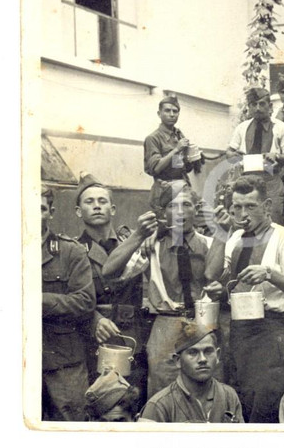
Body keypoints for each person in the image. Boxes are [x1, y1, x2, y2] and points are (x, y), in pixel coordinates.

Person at [204, 175, 284, 422]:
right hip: (237, 331)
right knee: (239, 404)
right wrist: (221, 232)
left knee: (265, 407)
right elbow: (211, 274)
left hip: (271, 333)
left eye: (251, 206)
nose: (243, 213)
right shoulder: (234, 238)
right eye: (238, 207)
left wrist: (270, 274)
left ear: (267, 206)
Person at [102, 181, 215, 398]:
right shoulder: (152, 246)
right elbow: (110, 271)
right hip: (165, 325)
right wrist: (139, 236)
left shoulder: (210, 245)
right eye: (173, 206)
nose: (180, 212)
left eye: (187, 205)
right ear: (163, 213)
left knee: (206, 389)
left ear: (197, 209)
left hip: (203, 321)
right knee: (163, 389)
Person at [74, 173, 148, 402]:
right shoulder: (73, 250)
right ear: (78, 211)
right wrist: (95, 319)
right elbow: (70, 297)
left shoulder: (134, 244)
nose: (97, 206)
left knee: (133, 400)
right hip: (93, 340)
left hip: (131, 339)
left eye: (102, 201)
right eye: (89, 202)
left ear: (113, 209)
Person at [41, 185, 96, 421]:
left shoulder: (70, 251)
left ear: (51, 213)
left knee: (70, 426)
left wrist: (35, 301)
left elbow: (84, 302)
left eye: (40, 209)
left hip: (64, 361)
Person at [138, 321, 243, 423]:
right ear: (177, 361)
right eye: (193, 353)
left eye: (208, 351)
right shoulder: (159, 405)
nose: (202, 359)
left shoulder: (229, 396)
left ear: (218, 356)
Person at [226, 87, 284, 224]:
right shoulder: (242, 128)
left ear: (270, 106)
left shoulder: (281, 128)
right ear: (249, 107)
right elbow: (229, 153)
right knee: (244, 222)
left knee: (273, 222)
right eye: (254, 104)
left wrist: (276, 156)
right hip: (245, 181)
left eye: (262, 104)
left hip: (270, 182)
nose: (258, 108)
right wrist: (235, 155)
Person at [143, 94, 201, 209]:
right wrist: (177, 149)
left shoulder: (179, 136)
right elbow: (155, 168)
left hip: (183, 188)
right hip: (165, 192)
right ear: (159, 114)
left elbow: (180, 167)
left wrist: (191, 159)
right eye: (167, 111)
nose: (171, 114)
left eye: (175, 111)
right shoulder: (153, 138)